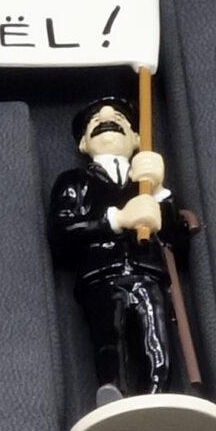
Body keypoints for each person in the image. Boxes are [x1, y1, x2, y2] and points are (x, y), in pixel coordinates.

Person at [46, 101, 188, 404]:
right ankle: (114, 395)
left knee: (156, 339)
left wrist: (160, 192)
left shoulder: (145, 184)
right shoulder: (75, 182)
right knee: (110, 338)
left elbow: (176, 241)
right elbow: (61, 231)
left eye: (120, 117)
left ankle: (157, 397)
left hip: (147, 272)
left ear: (137, 138)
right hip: (101, 275)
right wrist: (116, 219)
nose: (108, 117)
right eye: (95, 120)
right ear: (83, 143)